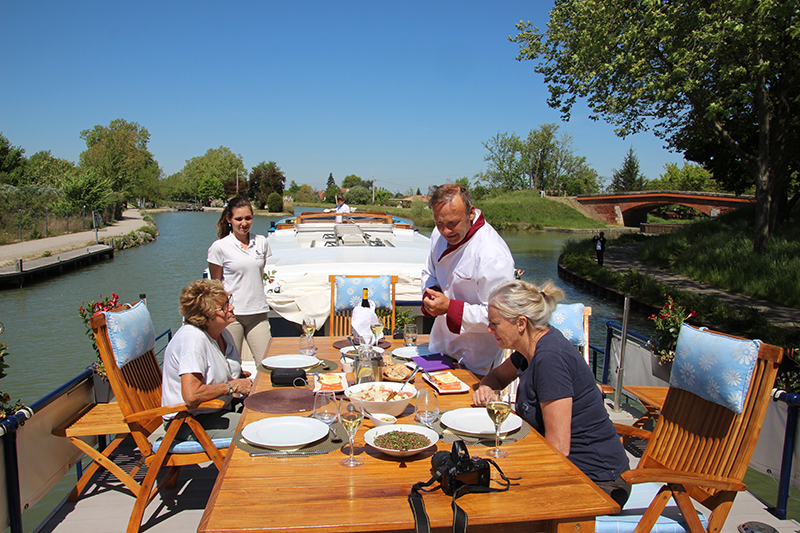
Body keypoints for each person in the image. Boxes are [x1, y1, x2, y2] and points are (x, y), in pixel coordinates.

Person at [473, 279, 630, 508]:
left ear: (521, 323)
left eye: (494, 323)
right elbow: (496, 377)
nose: (489, 329)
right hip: (566, 467)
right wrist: (486, 387)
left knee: (489, 501)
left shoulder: (550, 359)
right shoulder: (530, 346)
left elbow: (558, 447)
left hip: (595, 481)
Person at [421, 184, 514, 374]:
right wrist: (431, 294)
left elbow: (502, 315)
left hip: (478, 357)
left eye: (453, 223)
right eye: (440, 224)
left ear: (470, 213)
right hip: (441, 347)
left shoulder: (492, 253)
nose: (446, 232)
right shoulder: (437, 235)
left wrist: (449, 308)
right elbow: (429, 272)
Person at [162, 279, 253, 441]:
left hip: (220, 410)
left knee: (272, 410)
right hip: (190, 422)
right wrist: (230, 386)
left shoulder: (222, 333)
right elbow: (191, 395)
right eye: (223, 307)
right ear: (205, 315)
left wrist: (240, 379)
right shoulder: (192, 341)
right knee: (257, 429)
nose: (231, 308)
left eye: (228, 302)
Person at [208, 197, 271, 361]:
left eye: (248, 218)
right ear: (229, 219)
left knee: (266, 363)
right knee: (231, 365)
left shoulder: (262, 242)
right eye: (239, 219)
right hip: (231, 315)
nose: (244, 223)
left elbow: (258, 272)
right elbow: (216, 285)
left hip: (258, 313)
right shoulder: (219, 247)